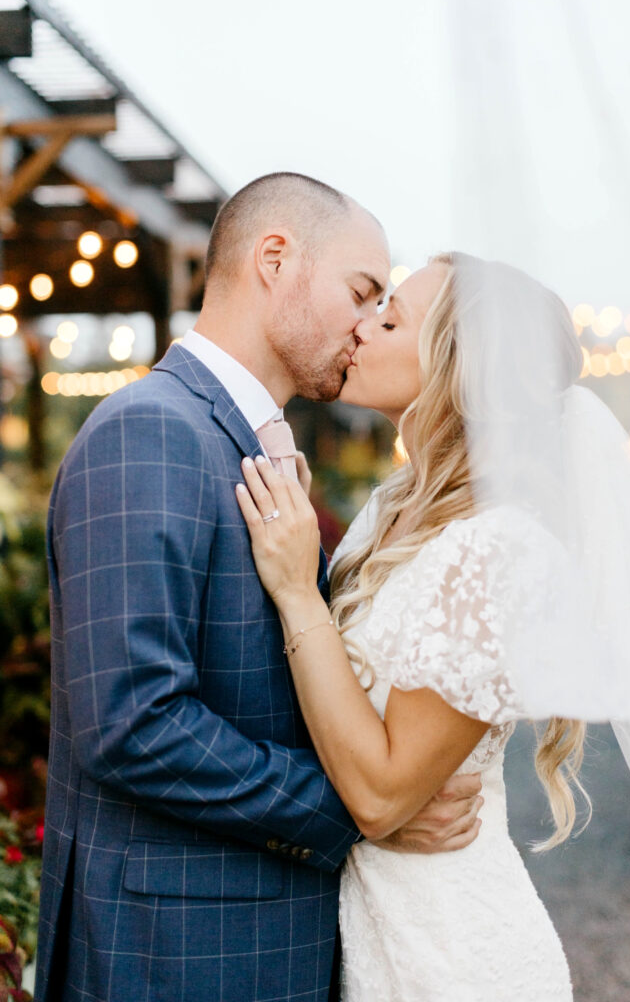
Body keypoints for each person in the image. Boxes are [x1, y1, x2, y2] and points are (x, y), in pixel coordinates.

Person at [34, 176, 485, 1002]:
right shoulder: (150, 432)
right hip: (175, 956)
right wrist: (356, 811)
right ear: (274, 259)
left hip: (261, 946)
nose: (366, 323)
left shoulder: (246, 443)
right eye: (360, 292)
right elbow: (133, 722)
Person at [235, 251, 630, 1001]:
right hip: (373, 937)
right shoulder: (390, 512)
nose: (360, 327)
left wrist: (297, 592)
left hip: (452, 959)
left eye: (389, 317)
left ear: (458, 364)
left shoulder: (502, 549)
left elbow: (380, 795)